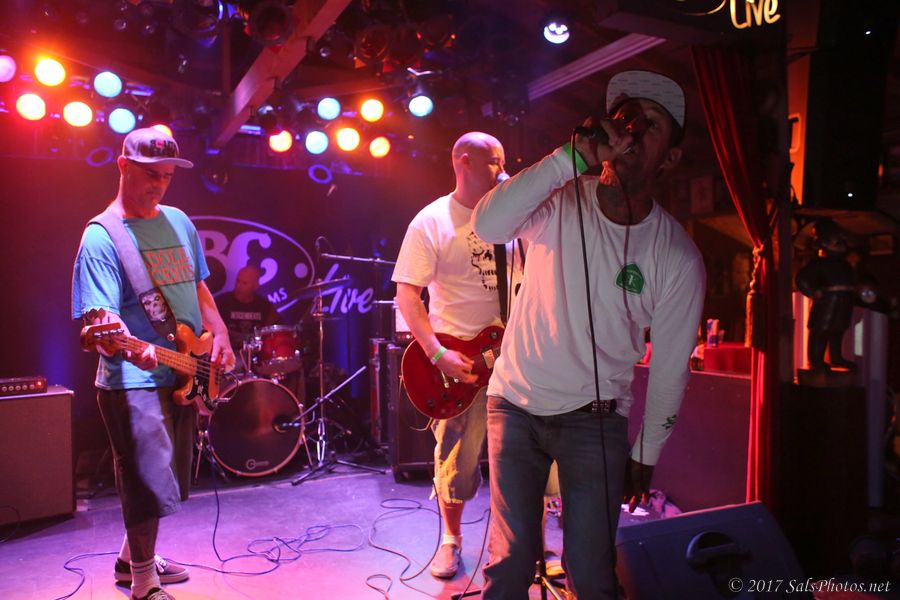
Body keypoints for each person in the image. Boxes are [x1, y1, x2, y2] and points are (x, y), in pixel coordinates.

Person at [472, 70, 706, 598]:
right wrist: (569, 157)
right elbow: (488, 225)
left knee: (593, 573)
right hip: (514, 404)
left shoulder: (675, 256)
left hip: (595, 420)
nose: (631, 131)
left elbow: (670, 368)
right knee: (509, 565)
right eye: (624, 118)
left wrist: (646, 453)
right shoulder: (559, 198)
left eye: (649, 124)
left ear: (669, 158)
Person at [72, 127, 236, 600]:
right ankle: (144, 581)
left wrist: (221, 334)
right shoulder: (102, 238)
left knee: (168, 478)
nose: (159, 185)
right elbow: (101, 320)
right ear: (123, 165)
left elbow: (199, 286)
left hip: (185, 369)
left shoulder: (179, 222)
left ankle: (130, 560)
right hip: (132, 379)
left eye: (166, 176)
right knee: (144, 476)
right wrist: (124, 341)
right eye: (150, 175)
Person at [392, 131, 520, 579]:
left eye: (503, 160)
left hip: (514, 358)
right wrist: (437, 353)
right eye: (493, 161)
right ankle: (451, 540)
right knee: (457, 460)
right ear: (463, 161)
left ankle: (531, 545)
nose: (502, 170)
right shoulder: (431, 221)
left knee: (530, 456)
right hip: (460, 365)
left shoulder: (515, 221)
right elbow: (407, 294)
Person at [795, 219, 859, 372]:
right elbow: (801, 278)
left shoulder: (844, 264)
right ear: (823, 243)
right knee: (820, 330)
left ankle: (836, 358)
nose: (840, 244)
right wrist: (812, 292)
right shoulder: (819, 264)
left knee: (838, 329)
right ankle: (816, 360)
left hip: (843, 302)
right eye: (835, 240)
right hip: (827, 302)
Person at [216, 264, 278, 356]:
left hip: (256, 355)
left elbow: (271, 333)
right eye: (238, 281)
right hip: (227, 353)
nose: (239, 286)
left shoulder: (265, 306)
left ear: (255, 286)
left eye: (244, 283)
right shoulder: (222, 302)